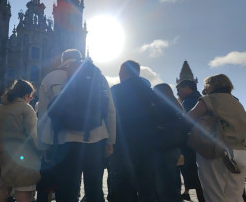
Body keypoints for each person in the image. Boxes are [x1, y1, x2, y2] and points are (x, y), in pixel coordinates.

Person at [38, 49, 116, 202]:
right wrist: (110, 141)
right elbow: (110, 111)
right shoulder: (97, 76)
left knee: (67, 191)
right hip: (96, 139)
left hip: (64, 142)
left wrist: (44, 145)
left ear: (63, 60)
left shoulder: (50, 78)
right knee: (94, 190)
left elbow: (44, 117)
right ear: (80, 59)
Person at [188, 74, 246, 202]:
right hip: (241, 152)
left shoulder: (210, 99)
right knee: (235, 195)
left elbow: (189, 117)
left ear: (210, 85)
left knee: (215, 195)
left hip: (217, 151)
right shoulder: (236, 102)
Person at [109, 60, 157, 202]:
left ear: (123, 71)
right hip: (147, 145)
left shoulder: (116, 90)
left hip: (122, 145)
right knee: (147, 186)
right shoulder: (150, 91)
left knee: (123, 187)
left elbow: (109, 115)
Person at [0, 80, 40, 202]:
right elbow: (33, 137)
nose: (31, 99)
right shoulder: (26, 109)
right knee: (23, 197)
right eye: (30, 96)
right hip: (22, 161)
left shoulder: (1, 107)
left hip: (0, 159)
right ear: (25, 95)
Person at [153, 83, 184, 202]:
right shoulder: (177, 107)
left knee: (164, 186)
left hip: (162, 149)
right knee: (173, 182)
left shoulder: (161, 108)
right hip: (174, 149)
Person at [176, 79, 205, 202]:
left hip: (192, 145)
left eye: (179, 90)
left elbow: (185, 123)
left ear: (189, 88)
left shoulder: (189, 102)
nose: (178, 93)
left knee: (197, 178)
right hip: (202, 144)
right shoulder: (200, 99)